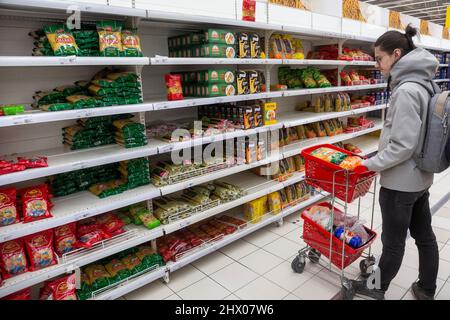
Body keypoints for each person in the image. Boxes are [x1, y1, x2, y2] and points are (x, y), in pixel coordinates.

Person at [352, 25, 440, 300]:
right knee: (425, 237)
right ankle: (426, 288)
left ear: (397, 54)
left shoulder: (406, 91)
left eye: (379, 58)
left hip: (400, 182)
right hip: (420, 178)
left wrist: (368, 165)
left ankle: (376, 288)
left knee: (392, 243)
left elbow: (402, 146)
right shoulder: (426, 82)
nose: (378, 65)